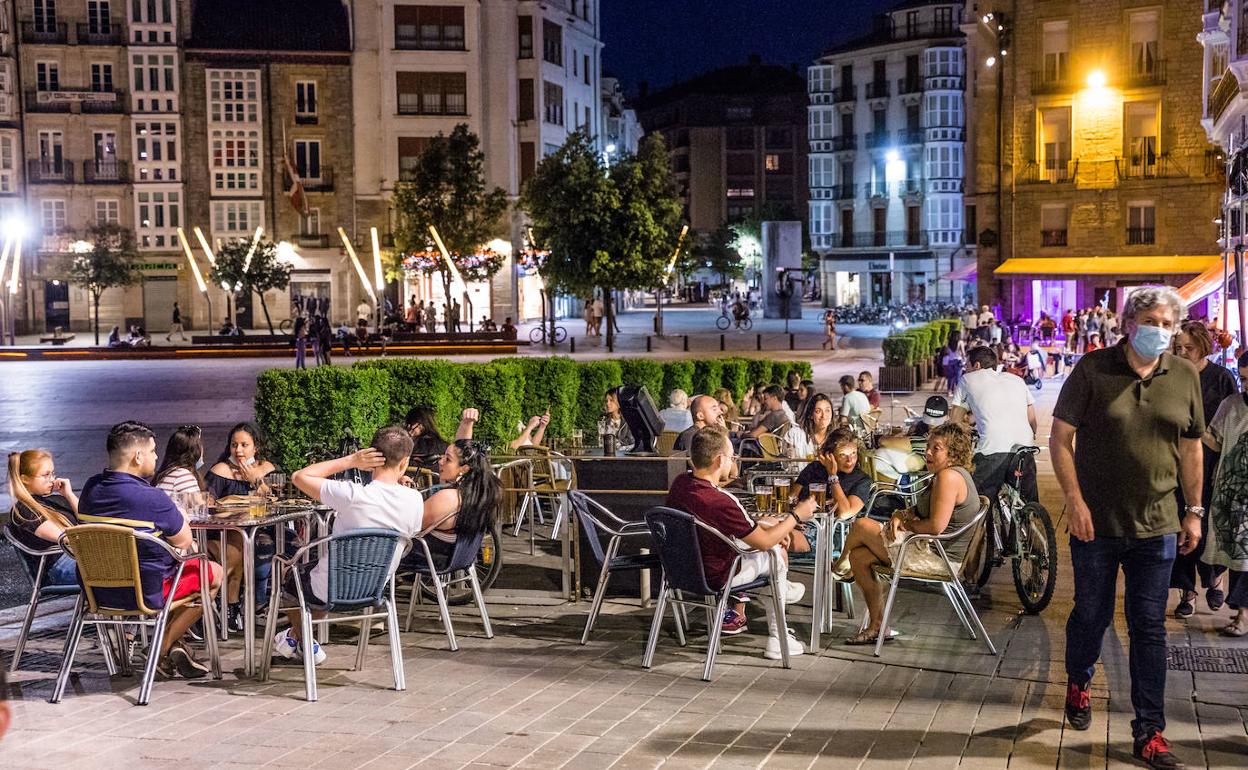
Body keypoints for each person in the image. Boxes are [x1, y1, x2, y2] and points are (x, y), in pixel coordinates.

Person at [1050, 285, 1203, 769]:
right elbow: (1059, 437)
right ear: (1129, 323)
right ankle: (1079, 681)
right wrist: (1073, 500)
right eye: (1152, 322)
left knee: (1149, 628)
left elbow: (1193, 445)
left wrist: (1194, 509)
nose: (1160, 331)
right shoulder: (1093, 369)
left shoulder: (1183, 376)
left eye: (1168, 324)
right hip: (1095, 524)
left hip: (1157, 524)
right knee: (1090, 614)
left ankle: (1149, 731)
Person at [78, 421, 222, 678]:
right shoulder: (153, 498)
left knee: (186, 570)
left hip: (96, 592)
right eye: (153, 451)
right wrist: (178, 514)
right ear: (137, 456)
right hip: (147, 591)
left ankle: (173, 647)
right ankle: (161, 648)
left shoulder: (91, 489)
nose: (157, 456)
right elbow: (184, 542)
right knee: (214, 573)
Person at [276, 426, 424, 664]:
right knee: (318, 572)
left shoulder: (353, 495)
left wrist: (350, 461)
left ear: (372, 456)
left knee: (291, 572)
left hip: (331, 587)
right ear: (404, 462)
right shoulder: (415, 499)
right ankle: (298, 640)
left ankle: (301, 639)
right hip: (374, 589)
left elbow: (299, 477)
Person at [666, 426, 813, 659]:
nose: (734, 461)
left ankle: (781, 589)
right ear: (720, 460)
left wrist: (762, 522)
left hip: (681, 570)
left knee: (771, 548)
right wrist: (796, 515)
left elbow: (718, 526)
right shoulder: (721, 501)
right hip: (717, 575)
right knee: (775, 552)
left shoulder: (681, 485)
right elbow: (764, 542)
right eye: (732, 457)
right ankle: (778, 637)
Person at [833, 421, 980, 646]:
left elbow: (935, 526)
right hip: (927, 548)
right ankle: (877, 626)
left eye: (936, 448)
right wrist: (901, 516)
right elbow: (918, 510)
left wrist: (905, 526)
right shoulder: (945, 474)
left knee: (862, 525)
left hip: (939, 558)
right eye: (927, 446)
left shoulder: (949, 478)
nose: (928, 452)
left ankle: (839, 568)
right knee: (859, 557)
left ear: (954, 452)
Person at [1170, 321, 1236, 619]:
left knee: (1210, 526)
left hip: (1212, 464)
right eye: (1178, 348)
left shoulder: (1220, 378)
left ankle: (1215, 579)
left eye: (1189, 348)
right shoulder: (1169, 375)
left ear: (1203, 347)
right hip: (1176, 462)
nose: (1183, 352)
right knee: (1180, 528)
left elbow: (1235, 419)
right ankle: (1188, 592)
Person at [155, 425, 247, 634]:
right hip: (179, 549)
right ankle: (215, 609)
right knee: (236, 546)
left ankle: (222, 607)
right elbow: (199, 511)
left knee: (234, 542)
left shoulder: (164, 475)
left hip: (164, 545)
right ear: (194, 452)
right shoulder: (184, 476)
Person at [950, 345, 1038, 503]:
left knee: (978, 500)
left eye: (967, 365)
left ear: (976, 365)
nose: (966, 369)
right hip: (1025, 447)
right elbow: (1032, 419)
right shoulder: (1016, 379)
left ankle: (985, 526)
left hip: (993, 450)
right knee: (1027, 500)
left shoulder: (967, 379)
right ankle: (1032, 521)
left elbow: (955, 421)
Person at [401, 439, 501, 573]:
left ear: (464, 469)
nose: (440, 461)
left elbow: (409, 526)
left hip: (429, 557)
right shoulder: (479, 495)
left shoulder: (448, 497)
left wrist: (400, 492)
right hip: (459, 557)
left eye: (447, 459)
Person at [1202, 350, 1248, 638]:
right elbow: (1213, 440)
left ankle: (1242, 614)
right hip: (1233, 495)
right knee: (1237, 554)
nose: (1247, 386)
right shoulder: (1231, 405)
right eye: (1243, 380)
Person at [7, 450, 80, 588]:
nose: (52, 480)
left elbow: (87, 520)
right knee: (125, 564)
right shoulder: (25, 511)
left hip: (74, 559)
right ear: (25, 479)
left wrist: (69, 495)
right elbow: (68, 539)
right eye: (46, 475)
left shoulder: (52, 501)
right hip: (59, 568)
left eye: (52, 473)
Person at [794, 428, 872, 519]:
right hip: (804, 522)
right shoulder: (814, 468)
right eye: (843, 455)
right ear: (829, 455)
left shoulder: (862, 480)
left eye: (853, 453)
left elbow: (844, 513)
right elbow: (792, 498)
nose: (849, 461)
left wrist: (833, 476)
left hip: (836, 530)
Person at [205, 423, 277, 500]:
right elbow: (206, 504)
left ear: (256, 447)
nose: (238, 450)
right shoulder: (220, 470)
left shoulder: (266, 468)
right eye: (234, 445)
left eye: (244, 445)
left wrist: (255, 480)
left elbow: (276, 502)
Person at [787, 393, 834, 459]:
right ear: (811, 415)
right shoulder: (796, 435)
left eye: (827, 410)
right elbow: (789, 463)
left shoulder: (837, 438)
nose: (824, 415)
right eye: (818, 411)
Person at [600, 387, 634, 451]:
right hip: (606, 455)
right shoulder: (603, 420)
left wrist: (618, 445)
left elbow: (632, 443)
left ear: (618, 401)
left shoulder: (629, 421)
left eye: (611, 400)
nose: (607, 403)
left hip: (623, 457)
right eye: (606, 401)